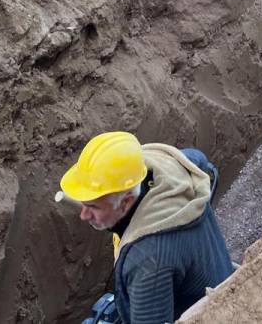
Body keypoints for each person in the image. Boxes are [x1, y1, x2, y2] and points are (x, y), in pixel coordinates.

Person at [61, 132, 234, 324]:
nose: (83, 215)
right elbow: (198, 158)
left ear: (126, 202)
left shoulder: (148, 261)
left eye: (93, 207)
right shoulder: (169, 167)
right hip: (221, 283)